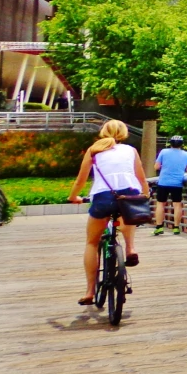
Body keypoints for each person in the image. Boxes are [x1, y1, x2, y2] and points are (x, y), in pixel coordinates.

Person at [67, 119, 150, 305]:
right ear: (124, 133)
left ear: (103, 131)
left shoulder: (94, 150)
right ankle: (130, 249)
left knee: (91, 242)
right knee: (128, 213)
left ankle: (89, 291)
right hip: (129, 194)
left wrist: (73, 197)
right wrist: (145, 194)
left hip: (103, 197)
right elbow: (141, 177)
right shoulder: (131, 150)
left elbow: (80, 181)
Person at [153, 135, 187, 236]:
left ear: (170, 143)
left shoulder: (164, 152)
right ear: (181, 144)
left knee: (161, 204)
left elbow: (156, 167)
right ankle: (176, 228)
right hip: (177, 183)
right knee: (177, 204)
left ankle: (159, 227)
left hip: (163, 182)